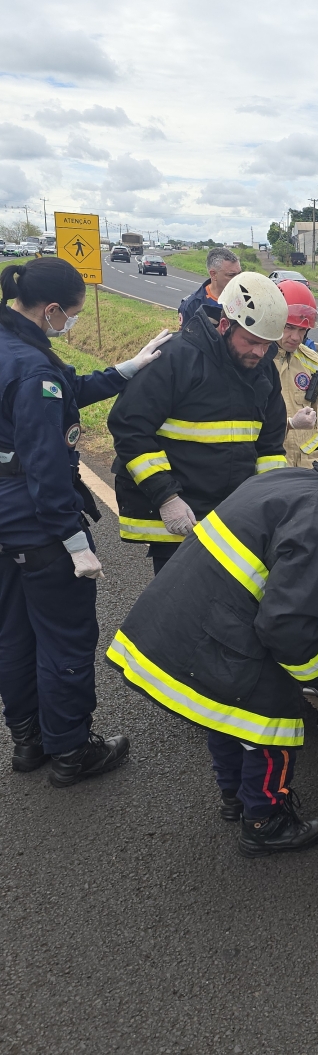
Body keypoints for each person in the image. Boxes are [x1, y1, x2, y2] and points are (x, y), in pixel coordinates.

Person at [107, 413, 318, 854]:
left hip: (184, 615)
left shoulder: (288, 481)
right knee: (271, 718)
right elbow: (285, 623)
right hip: (220, 624)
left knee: (227, 708)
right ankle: (265, 820)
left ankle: (234, 796)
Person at [0, 258, 170, 784]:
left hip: (5, 525)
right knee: (65, 639)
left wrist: (126, 370)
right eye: (70, 315)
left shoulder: (14, 349)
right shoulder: (34, 370)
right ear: (51, 309)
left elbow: (68, 391)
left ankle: (28, 741)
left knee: (13, 635)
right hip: (39, 528)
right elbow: (47, 466)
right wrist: (75, 540)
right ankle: (72, 750)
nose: (69, 323)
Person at [108, 271, 290, 574]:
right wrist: (166, 496)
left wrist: (272, 504)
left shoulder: (263, 372)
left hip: (233, 519)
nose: (259, 352)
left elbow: (270, 448)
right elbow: (130, 427)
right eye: (251, 342)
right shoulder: (176, 359)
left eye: (267, 344)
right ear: (224, 325)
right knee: (174, 614)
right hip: (180, 517)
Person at [274, 280, 318, 467]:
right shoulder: (256, 360)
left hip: (307, 468)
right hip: (271, 465)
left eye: (302, 330)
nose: (296, 337)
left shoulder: (311, 361)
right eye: (289, 327)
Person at [177, 247, 241, 327]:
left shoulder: (247, 299)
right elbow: (187, 338)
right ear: (213, 274)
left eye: (239, 274)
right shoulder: (192, 305)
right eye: (231, 275)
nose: (237, 279)